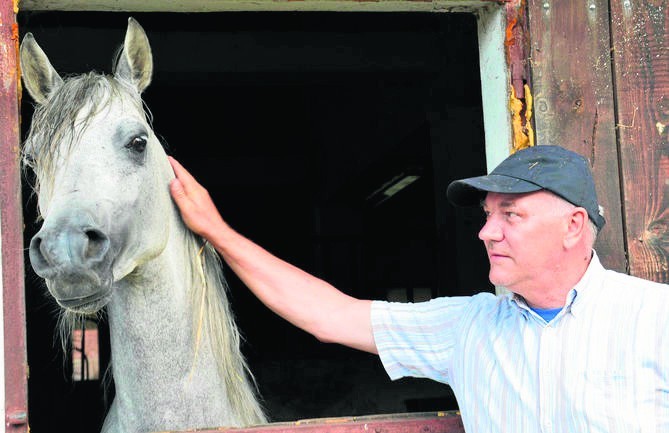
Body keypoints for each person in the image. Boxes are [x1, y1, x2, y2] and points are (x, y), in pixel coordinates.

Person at [168, 145, 669, 432]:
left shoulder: (654, 320)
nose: (486, 232)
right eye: (487, 216)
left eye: (510, 215)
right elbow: (329, 315)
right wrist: (217, 231)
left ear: (573, 226)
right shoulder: (468, 327)